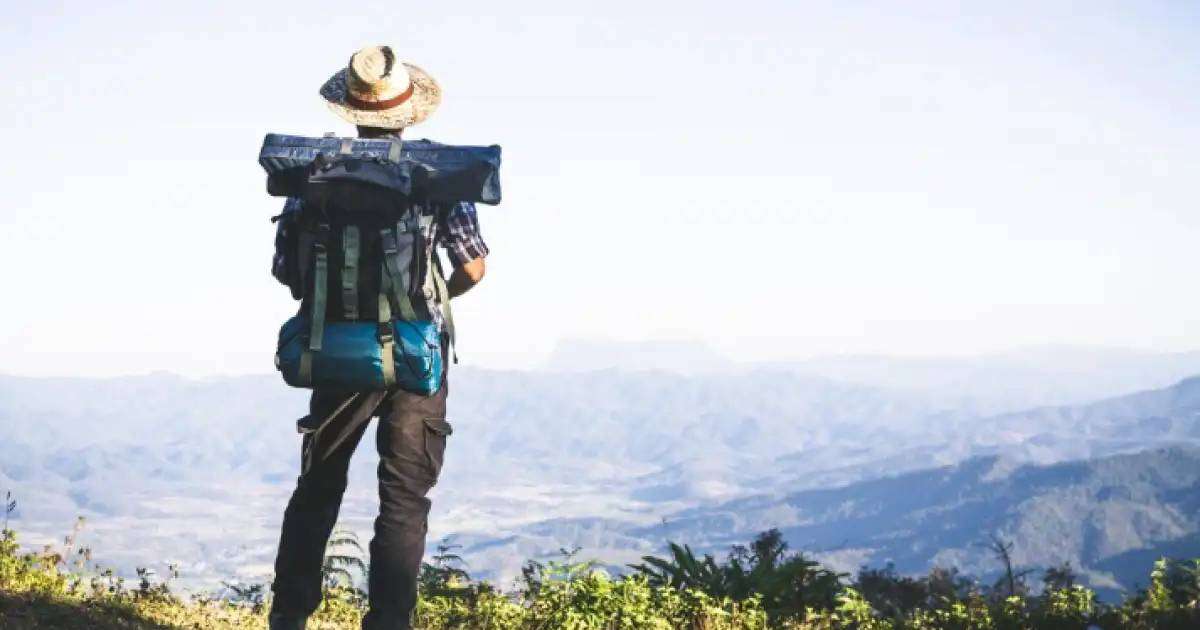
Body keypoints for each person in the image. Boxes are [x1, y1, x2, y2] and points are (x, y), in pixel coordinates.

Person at [268, 45, 488, 630]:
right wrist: (427, 306)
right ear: (408, 112)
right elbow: (472, 268)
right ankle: (390, 621)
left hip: (337, 350)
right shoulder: (437, 176)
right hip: (417, 358)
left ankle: (289, 616)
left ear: (352, 109)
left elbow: (286, 270)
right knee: (404, 498)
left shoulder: (312, 175)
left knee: (318, 486)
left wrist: (338, 296)